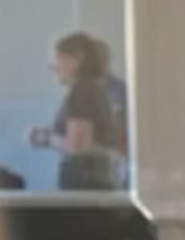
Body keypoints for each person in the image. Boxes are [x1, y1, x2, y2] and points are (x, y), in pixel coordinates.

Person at [28, 32, 118, 190]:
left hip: (84, 181)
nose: (54, 67)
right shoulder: (95, 90)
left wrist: (45, 138)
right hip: (95, 178)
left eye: (58, 58)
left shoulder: (83, 92)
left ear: (76, 60)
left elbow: (78, 144)